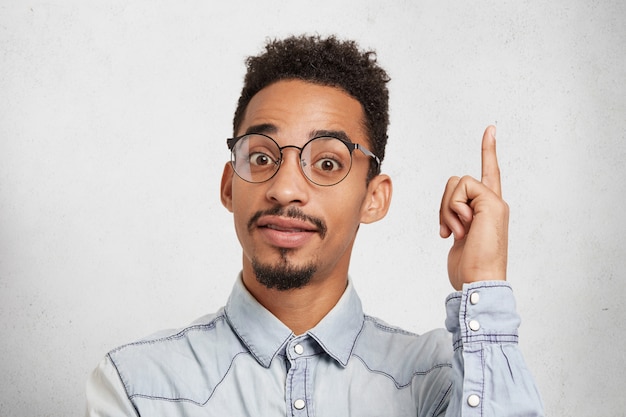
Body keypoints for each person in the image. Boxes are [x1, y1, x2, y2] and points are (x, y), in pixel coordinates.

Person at [86, 35, 544, 416]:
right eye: (262, 156)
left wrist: (484, 283)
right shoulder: (139, 387)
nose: (285, 189)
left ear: (374, 197)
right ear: (229, 185)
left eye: (326, 162)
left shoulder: (443, 380)